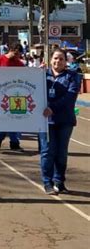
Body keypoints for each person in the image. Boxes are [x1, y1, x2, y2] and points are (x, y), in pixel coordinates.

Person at [39, 49, 80, 195]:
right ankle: (47, 182)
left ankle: (59, 181)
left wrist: (52, 108)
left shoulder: (73, 76)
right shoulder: (42, 75)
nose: (58, 61)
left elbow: (71, 96)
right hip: (46, 122)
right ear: (50, 60)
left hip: (64, 121)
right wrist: (35, 75)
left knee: (61, 153)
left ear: (66, 61)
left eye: (61, 59)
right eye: (55, 58)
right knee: (47, 152)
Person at [0, 43, 25, 151]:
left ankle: (14, 142)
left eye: (19, 55)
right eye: (16, 54)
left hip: (14, 94)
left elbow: (26, 76)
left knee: (14, 118)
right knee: (2, 118)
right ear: (11, 50)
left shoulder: (19, 64)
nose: (17, 57)